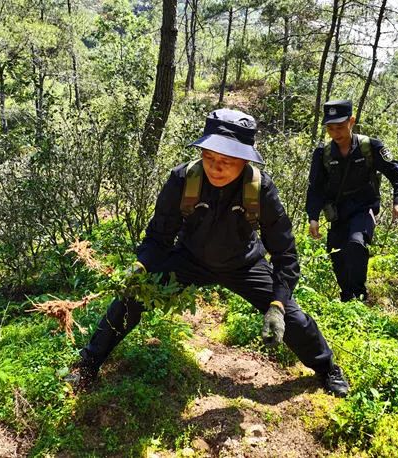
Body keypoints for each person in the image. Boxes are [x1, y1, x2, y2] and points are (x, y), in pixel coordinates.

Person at [68, 108, 349, 397]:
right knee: (131, 298)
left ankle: (327, 369)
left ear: (244, 160)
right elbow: (159, 236)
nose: (216, 168)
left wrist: (277, 305)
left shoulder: (260, 189)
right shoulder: (183, 179)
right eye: (210, 157)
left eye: (227, 161)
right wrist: (139, 267)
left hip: (244, 264)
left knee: (293, 319)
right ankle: (87, 365)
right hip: (189, 260)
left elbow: (284, 253)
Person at [306, 100, 398, 302]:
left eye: (340, 127)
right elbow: (316, 187)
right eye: (330, 128)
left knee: (356, 244)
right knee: (337, 255)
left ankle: (360, 295)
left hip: (364, 208)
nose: (335, 133)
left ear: (351, 121)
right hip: (337, 212)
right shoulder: (323, 154)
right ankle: (347, 298)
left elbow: (397, 172)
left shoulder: (370, 147)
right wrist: (313, 216)